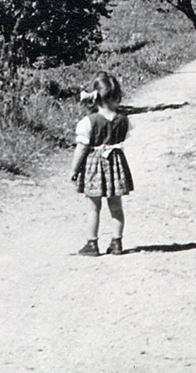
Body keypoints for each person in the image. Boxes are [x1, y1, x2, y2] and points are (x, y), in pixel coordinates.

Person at [71, 72, 134, 256]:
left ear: (95, 97)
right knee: (116, 205)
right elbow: (125, 137)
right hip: (116, 163)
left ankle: (92, 243)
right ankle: (117, 242)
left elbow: (82, 148)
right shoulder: (124, 120)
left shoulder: (89, 122)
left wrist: (74, 169)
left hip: (95, 165)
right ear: (118, 96)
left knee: (93, 207)